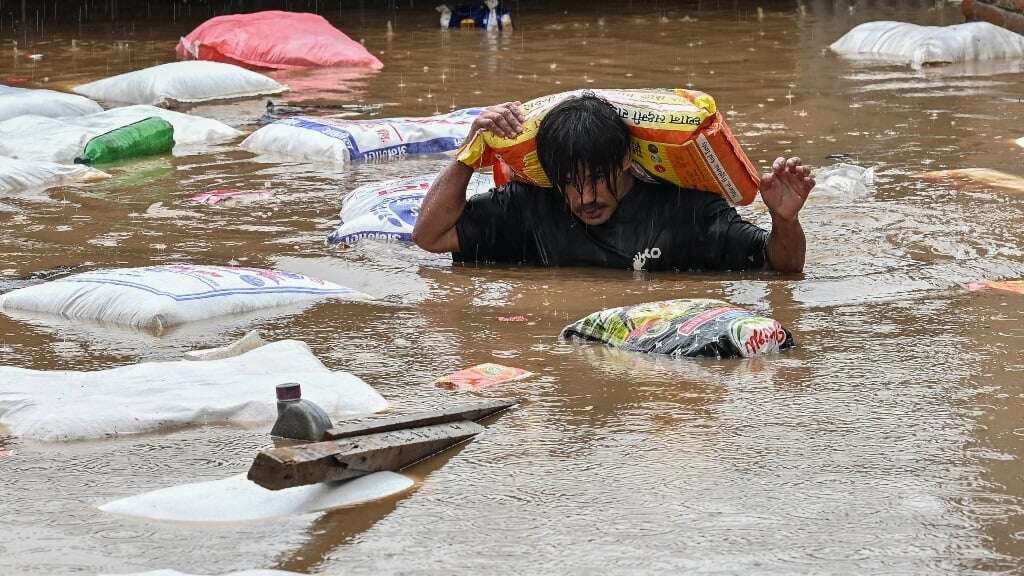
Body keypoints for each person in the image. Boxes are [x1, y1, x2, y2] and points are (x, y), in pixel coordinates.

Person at [412, 95, 814, 273]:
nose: (585, 197)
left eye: (596, 180)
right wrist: (469, 151)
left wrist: (784, 220)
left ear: (626, 161)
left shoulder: (685, 211)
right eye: (570, 183)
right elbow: (430, 236)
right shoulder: (528, 207)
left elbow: (782, 267)